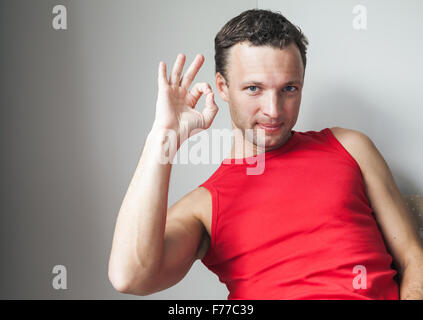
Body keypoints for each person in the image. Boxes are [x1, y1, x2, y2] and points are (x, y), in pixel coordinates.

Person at [108, 9, 423, 299]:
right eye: (253, 89)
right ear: (222, 86)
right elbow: (130, 278)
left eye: (289, 88)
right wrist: (162, 137)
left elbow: (412, 256)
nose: (274, 111)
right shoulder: (204, 205)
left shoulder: (350, 146)